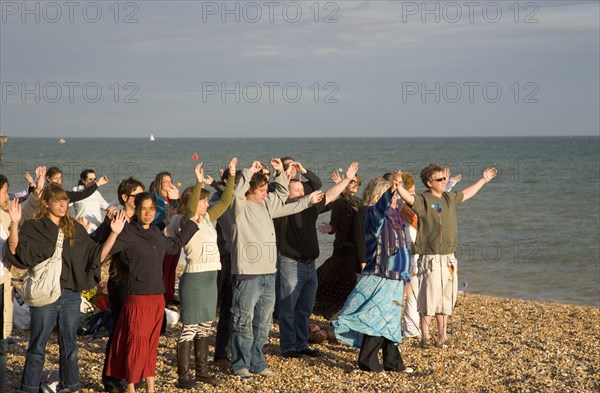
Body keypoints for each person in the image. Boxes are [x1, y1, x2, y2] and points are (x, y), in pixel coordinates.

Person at [6, 183, 124, 393]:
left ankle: (72, 387)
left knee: (70, 345)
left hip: (70, 294)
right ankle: (29, 388)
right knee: (37, 346)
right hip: (45, 294)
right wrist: (15, 224)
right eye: (57, 200)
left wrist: (113, 234)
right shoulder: (34, 227)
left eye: (65, 200)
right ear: (46, 202)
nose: (62, 204)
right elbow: (16, 251)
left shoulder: (74, 229)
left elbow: (95, 256)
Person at [230, 159, 323, 379]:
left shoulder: (266, 205)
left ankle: (257, 363)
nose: (265, 192)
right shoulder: (240, 208)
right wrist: (247, 172)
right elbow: (235, 194)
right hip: (248, 273)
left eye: (265, 189)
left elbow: (283, 195)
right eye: (261, 190)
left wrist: (281, 173)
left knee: (263, 323)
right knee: (243, 321)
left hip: (269, 273)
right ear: (250, 190)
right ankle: (240, 365)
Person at [105, 192, 199, 393]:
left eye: (151, 209)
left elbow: (173, 247)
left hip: (157, 298)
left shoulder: (156, 232)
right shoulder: (127, 233)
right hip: (137, 298)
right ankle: (130, 387)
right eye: (143, 209)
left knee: (150, 344)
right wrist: (111, 228)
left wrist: (191, 225)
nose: (147, 213)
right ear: (137, 210)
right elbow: (105, 251)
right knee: (135, 344)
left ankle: (150, 388)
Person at [396, 163, 496, 348]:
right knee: (429, 297)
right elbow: (407, 198)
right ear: (429, 182)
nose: (444, 181)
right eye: (440, 179)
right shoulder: (423, 200)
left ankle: (442, 336)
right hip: (431, 257)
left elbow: (467, 193)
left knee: (446, 299)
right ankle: (425, 337)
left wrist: (484, 180)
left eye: (444, 178)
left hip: (449, 257)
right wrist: (399, 185)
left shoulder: (449, 198)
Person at [274, 162, 359, 359]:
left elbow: (329, 194)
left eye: (303, 189)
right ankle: (288, 347)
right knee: (288, 309)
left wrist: (346, 179)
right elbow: (276, 188)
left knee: (304, 309)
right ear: (286, 192)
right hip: (290, 264)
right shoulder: (279, 209)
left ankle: (301, 343)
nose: (302, 192)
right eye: (297, 189)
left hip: (310, 265)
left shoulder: (309, 208)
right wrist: (282, 173)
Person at [332, 175, 413, 373]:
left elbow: (404, 248)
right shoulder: (372, 215)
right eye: (392, 196)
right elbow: (379, 209)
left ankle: (393, 362)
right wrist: (391, 191)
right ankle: (368, 362)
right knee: (377, 318)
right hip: (381, 275)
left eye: (394, 196)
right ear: (380, 194)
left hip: (396, 276)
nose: (395, 199)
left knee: (389, 320)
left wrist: (407, 276)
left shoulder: (396, 217)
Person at [167, 159, 236, 388]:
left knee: (206, 324)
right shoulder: (184, 220)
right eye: (203, 201)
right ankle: (184, 376)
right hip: (194, 279)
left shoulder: (207, 218)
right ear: (194, 202)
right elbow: (191, 207)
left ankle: (202, 372)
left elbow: (226, 201)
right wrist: (198, 183)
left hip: (209, 278)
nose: (207, 205)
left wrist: (232, 176)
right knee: (190, 328)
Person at [91, 177, 145, 392]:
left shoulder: (142, 219)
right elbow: (100, 245)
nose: (141, 199)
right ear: (125, 197)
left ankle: (132, 374)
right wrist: (108, 223)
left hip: (139, 282)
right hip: (121, 281)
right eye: (137, 195)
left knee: (136, 332)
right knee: (119, 330)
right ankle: (112, 378)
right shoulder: (117, 218)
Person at [401, 170, 461, 339]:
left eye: (413, 189)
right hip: (412, 254)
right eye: (410, 190)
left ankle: (416, 330)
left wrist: (448, 185)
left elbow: (437, 206)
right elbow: (427, 214)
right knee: (417, 295)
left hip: (416, 253)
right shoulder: (404, 206)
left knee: (419, 294)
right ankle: (413, 330)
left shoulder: (409, 205)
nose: (413, 192)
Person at [315, 170, 365, 319]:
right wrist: (330, 229)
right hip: (343, 248)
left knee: (350, 280)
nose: (355, 185)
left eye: (357, 182)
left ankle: (345, 310)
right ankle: (328, 309)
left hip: (357, 248)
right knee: (331, 276)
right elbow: (334, 223)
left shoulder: (361, 202)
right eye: (352, 181)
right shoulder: (339, 203)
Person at [149, 171, 181, 306]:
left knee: (173, 266)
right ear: (159, 184)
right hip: (161, 235)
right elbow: (153, 218)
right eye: (165, 182)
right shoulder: (155, 198)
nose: (168, 184)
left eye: (170, 181)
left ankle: (170, 293)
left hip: (175, 234)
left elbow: (182, 211)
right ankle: (163, 295)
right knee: (164, 267)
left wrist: (178, 197)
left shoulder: (173, 198)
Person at [0, 175, 15, 392]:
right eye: (4, 192)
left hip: (2, 284)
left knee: (2, 343)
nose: (7, 196)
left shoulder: (4, 217)